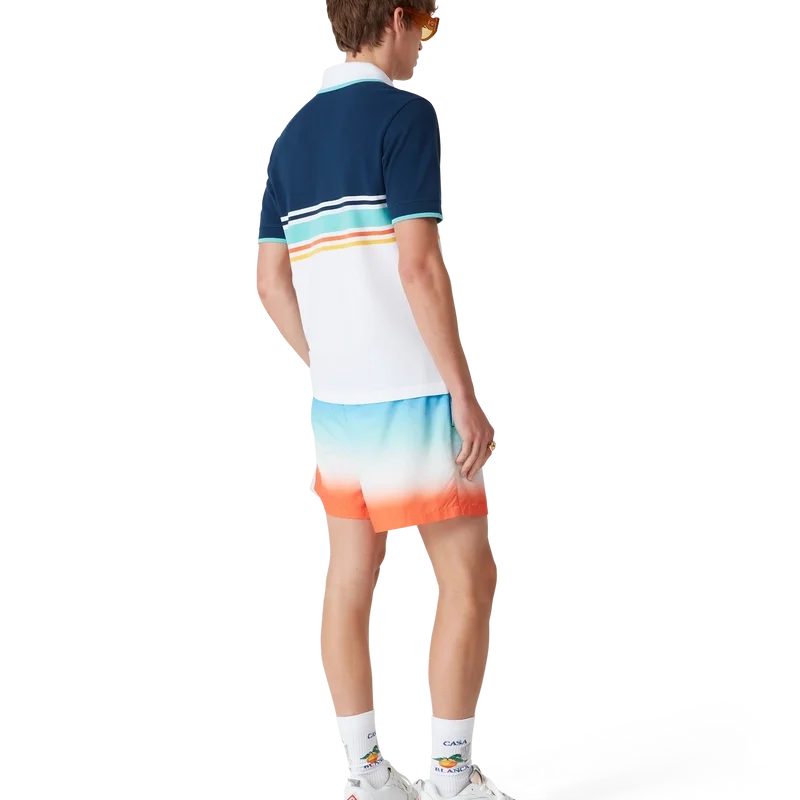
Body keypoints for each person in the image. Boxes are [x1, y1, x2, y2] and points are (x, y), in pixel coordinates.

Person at [255, 3, 519, 798]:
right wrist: (463, 393)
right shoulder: (402, 116)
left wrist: (323, 361)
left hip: (338, 402)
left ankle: (367, 775)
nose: (427, 44)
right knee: (466, 577)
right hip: (412, 392)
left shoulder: (292, 135)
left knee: (346, 581)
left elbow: (268, 278)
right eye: (430, 27)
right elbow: (418, 266)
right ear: (398, 19)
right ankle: (451, 779)